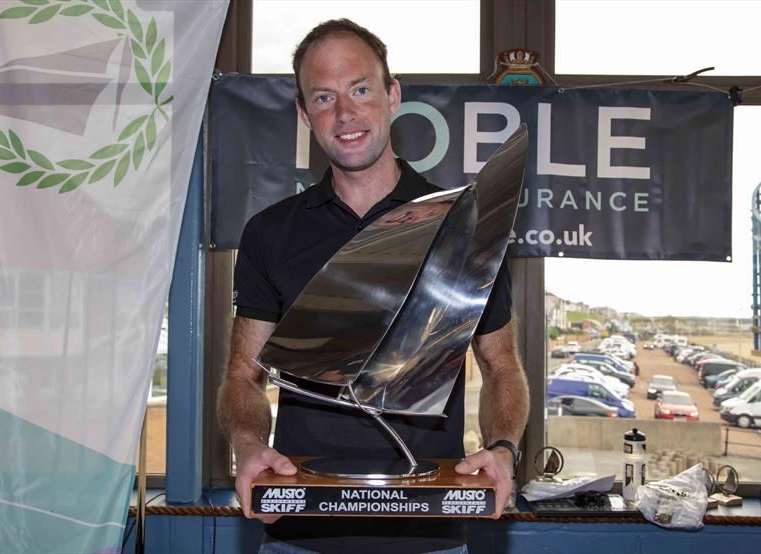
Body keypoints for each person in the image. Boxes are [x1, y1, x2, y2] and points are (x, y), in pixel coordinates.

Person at [217, 19, 530, 554]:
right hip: (301, 534)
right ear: (303, 113)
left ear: (393, 96)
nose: (345, 114)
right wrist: (247, 443)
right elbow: (242, 377)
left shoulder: (464, 225)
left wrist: (502, 447)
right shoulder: (271, 233)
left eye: (360, 89)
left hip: (429, 535)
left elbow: (502, 367)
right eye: (323, 97)